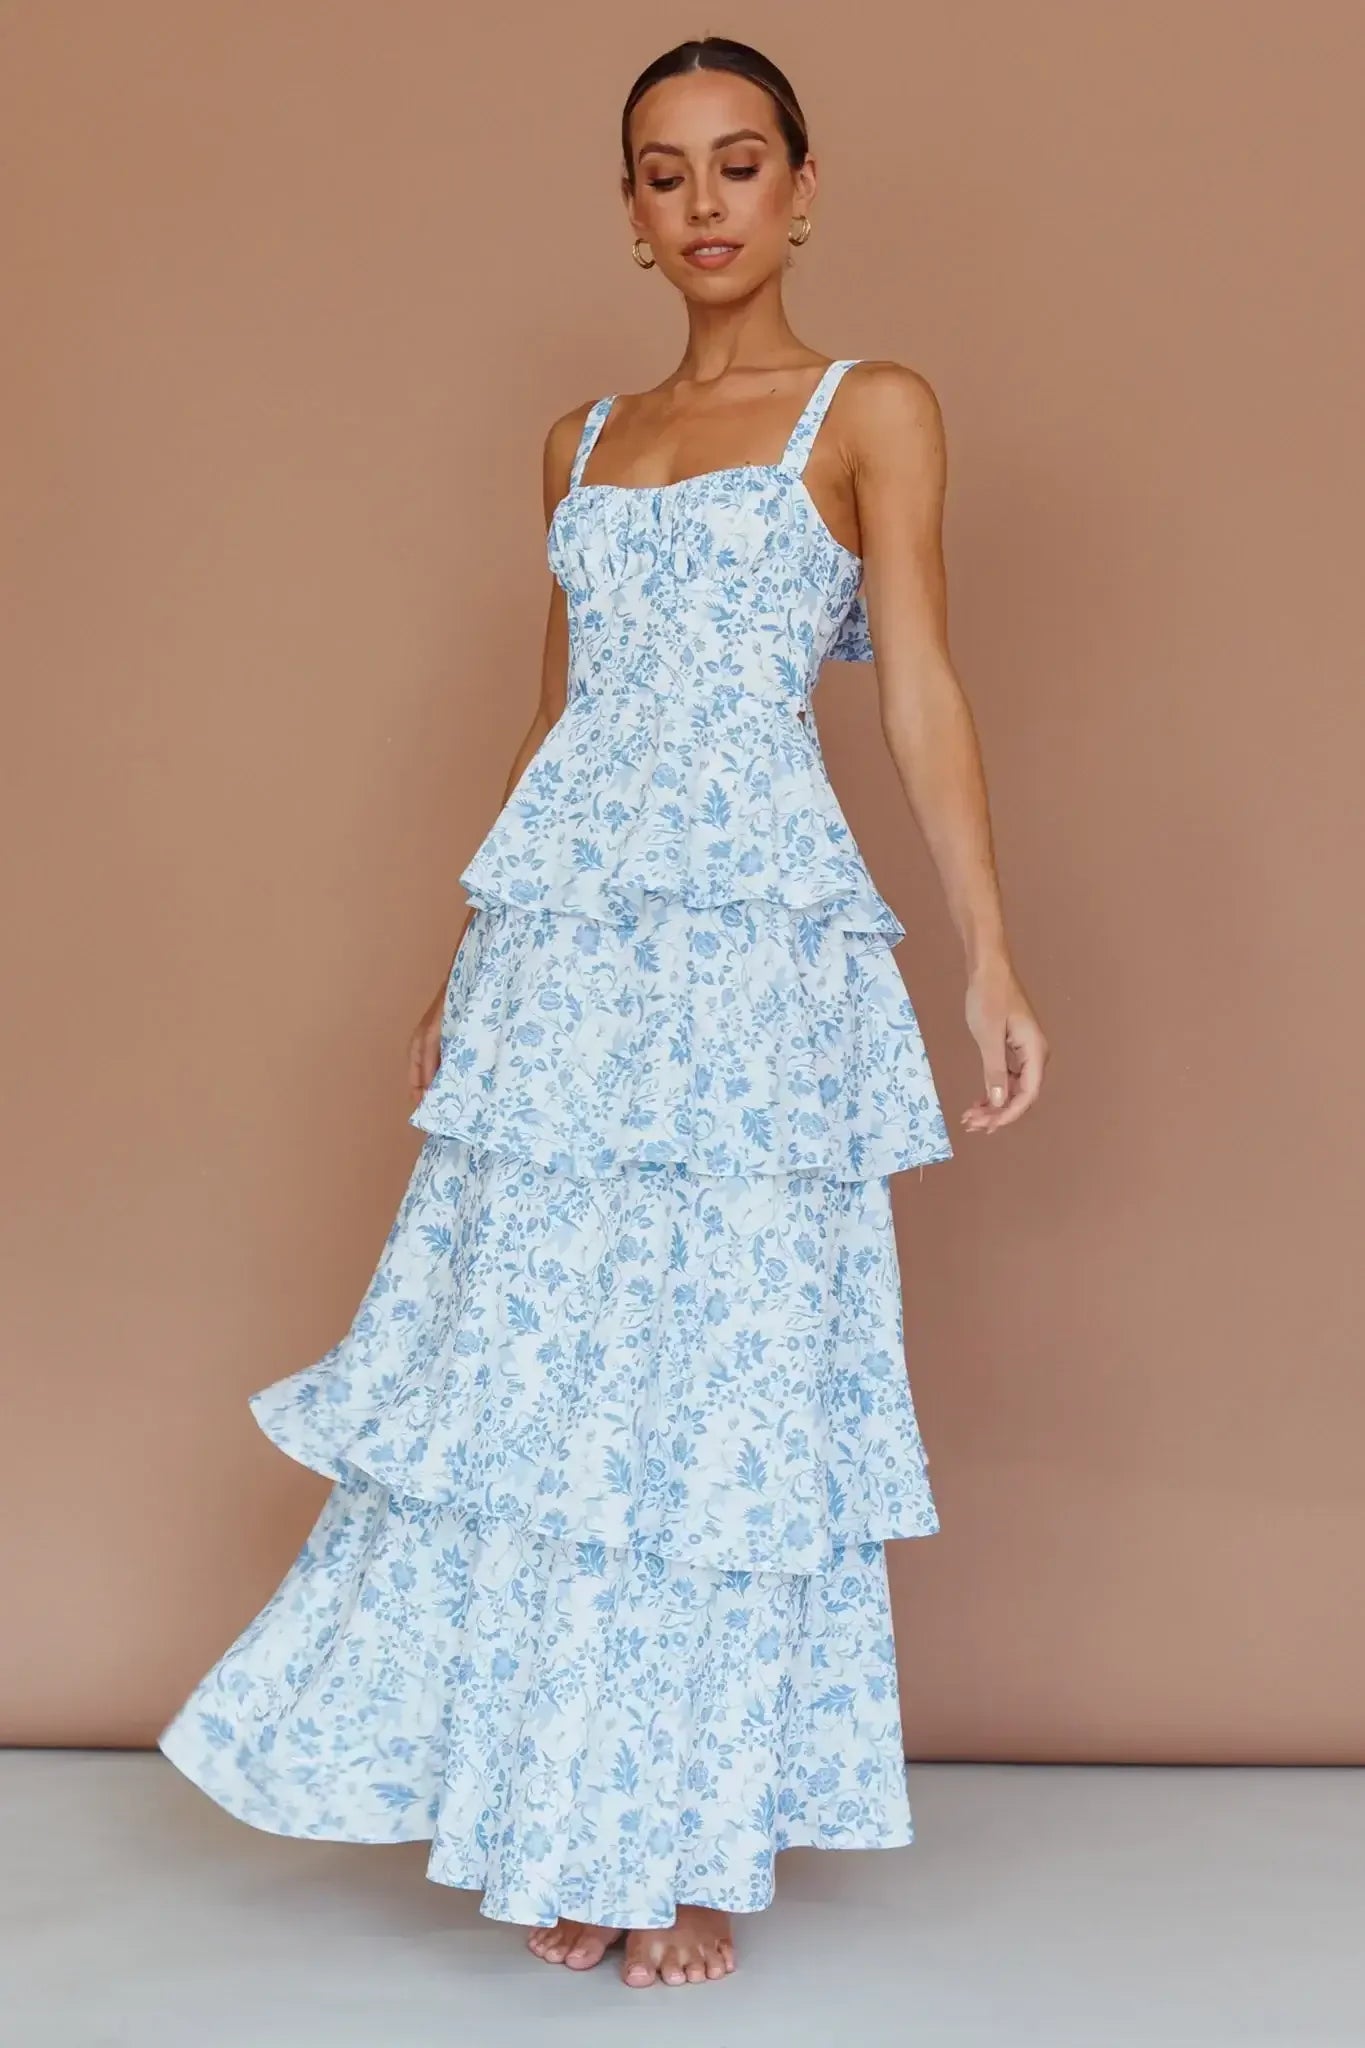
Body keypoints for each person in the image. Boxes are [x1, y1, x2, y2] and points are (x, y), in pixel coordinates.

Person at [158, 33, 1047, 1994]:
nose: (703, 200)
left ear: (801, 190)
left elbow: (917, 689)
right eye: (662, 172)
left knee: (715, 1394)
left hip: (751, 966)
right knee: (561, 1399)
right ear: (630, 213)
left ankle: (689, 1842)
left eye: (739, 163)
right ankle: (578, 1819)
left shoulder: (866, 405)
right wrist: (461, 974)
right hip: (571, 976)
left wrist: (983, 951)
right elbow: (556, 730)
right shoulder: (571, 443)